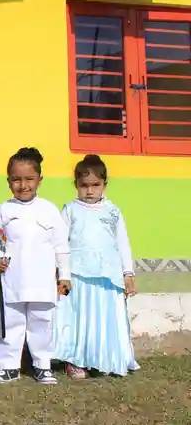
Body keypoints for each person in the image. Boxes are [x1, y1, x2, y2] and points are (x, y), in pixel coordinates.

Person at [0, 147, 70, 385]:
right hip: (13, 280)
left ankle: (42, 366)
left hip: (43, 282)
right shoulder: (4, 210)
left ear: (39, 180)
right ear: (8, 181)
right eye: (16, 179)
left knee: (41, 323)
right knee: (10, 324)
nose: (23, 185)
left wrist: (64, 276)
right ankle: (9, 367)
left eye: (29, 179)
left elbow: (61, 246)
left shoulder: (50, 210)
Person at [54, 154, 139, 378]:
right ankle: (76, 361)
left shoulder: (113, 211)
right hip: (77, 276)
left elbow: (123, 243)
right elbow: (60, 243)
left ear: (104, 185)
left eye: (95, 185)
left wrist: (127, 273)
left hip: (107, 277)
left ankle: (107, 360)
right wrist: (60, 273)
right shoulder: (70, 210)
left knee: (105, 319)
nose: (90, 191)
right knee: (77, 319)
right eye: (84, 185)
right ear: (76, 185)